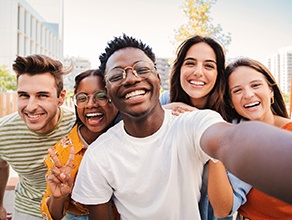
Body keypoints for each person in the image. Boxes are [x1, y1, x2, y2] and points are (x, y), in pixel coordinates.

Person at [70, 34, 292, 219]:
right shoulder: (160, 105)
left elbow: (230, 140)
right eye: (190, 63)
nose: (198, 72)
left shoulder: (208, 121)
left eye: (209, 65)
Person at [0, 54, 76, 220]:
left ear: (61, 98)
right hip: (28, 209)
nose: (31, 106)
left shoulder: (78, 126)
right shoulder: (3, 132)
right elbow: (1, 164)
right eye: (24, 95)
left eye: (42, 95)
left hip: (74, 211)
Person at [40, 69, 120, 220]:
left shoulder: (128, 138)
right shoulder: (63, 153)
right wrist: (59, 197)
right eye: (82, 98)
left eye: (101, 96)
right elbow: (52, 215)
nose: (90, 104)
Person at [218, 57, 292, 219]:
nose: (248, 94)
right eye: (237, 90)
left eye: (256, 85)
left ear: (271, 91)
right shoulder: (230, 138)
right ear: (230, 102)